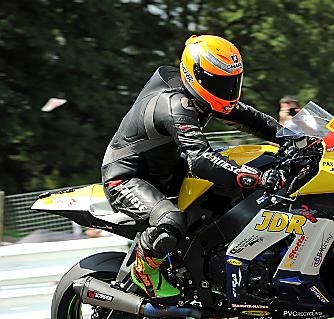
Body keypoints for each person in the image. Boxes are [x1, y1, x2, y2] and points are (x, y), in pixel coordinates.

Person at [101, 35, 286, 301]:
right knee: (170, 222)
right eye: (219, 82)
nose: (227, 89)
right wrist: (255, 177)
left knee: (225, 197)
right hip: (127, 178)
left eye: (232, 81)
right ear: (195, 75)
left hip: (168, 173)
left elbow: (252, 119)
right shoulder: (174, 104)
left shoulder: (204, 96)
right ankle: (144, 269)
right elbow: (200, 159)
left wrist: (295, 137)